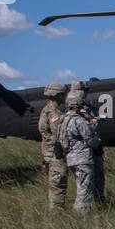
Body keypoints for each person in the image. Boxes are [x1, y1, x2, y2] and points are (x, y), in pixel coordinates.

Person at [58, 90, 102, 213]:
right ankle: (80, 215)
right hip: (83, 159)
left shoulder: (63, 120)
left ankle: (79, 212)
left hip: (70, 158)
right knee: (85, 189)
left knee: (80, 186)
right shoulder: (79, 120)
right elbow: (89, 139)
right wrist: (97, 141)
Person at [70, 80, 105, 202]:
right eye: (83, 91)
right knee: (84, 187)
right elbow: (85, 132)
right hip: (83, 153)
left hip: (92, 152)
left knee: (98, 179)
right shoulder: (73, 112)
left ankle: (100, 202)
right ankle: (81, 213)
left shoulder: (88, 108)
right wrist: (94, 123)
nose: (85, 93)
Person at [37, 81, 69, 209]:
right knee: (58, 183)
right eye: (63, 94)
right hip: (55, 153)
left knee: (55, 182)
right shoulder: (54, 113)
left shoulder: (47, 109)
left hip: (50, 152)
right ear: (57, 95)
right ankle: (56, 211)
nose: (65, 96)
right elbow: (58, 134)